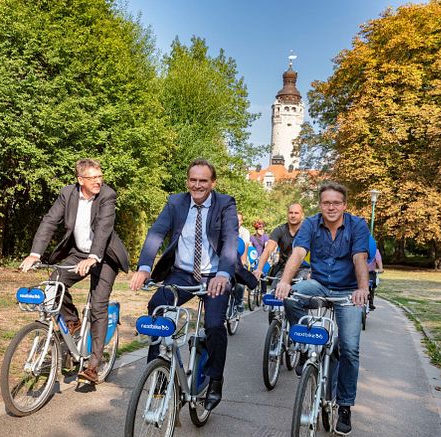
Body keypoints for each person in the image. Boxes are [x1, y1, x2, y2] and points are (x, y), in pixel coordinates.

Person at [130, 158, 251, 411]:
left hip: (216, 275)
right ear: (188, 181)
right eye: (193, 180)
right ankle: (158, 374)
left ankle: (215, 379)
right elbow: (156, 233)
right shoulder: (175, 202)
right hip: (183, 273)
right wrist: (143, 268)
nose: (197, 185)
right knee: (157, 307)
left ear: (212, 183)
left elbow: (230, 240)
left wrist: (224, 274)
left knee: (215, 324)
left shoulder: (225, 204)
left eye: (203, 181)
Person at [20, 158, 130, 384]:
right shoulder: (67, 194)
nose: (98, 181)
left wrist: (94, 257)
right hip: (79, 253)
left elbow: (103, 228)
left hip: (105, 256)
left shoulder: (107, 196)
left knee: (98, 304)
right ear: (80, 180)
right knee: (54, 284)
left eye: (100, 176)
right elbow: (49, 222)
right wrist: (35, 254)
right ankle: (73, 322)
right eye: (93, 178)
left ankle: (93, 366)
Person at [275, 181, 370, 436]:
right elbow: (298, 252)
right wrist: (285, 282)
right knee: (292, 297)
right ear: (320, 204)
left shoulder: (357, 225)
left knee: (350, 349)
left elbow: (359, 257)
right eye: (326, 202)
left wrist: (363, 288)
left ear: (344, 205)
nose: (331, 207)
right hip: (318, 284)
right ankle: (307, 344)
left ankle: (345, 406)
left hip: (349, 290)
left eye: (336, 203)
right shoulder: (310, 224)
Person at [253, 203, 310, 321]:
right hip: (283, 268)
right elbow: (268, 250)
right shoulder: (280, 230)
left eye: (296, 213)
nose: (293, 215)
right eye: (291, 213)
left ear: (302, 215)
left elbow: (317, 252)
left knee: (300, 295)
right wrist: (259, 269)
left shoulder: (308, 230)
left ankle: (300, 326)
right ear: (287, 214)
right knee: (275, 292)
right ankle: (275, 326)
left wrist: (313, 272)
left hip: (303, 268)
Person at [235, 212, 252, 312]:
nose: (237, 222)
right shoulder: (226, 228)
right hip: (228, 259)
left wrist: (244, 260)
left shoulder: (244, 232)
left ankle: (239, 301)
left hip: (240, 258)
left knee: (240, 281)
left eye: (239, 220)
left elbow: (245, 246)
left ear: (242, 221)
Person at [367, 238, 384, 310]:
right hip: (359, 272)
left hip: (370, 272)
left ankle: (370, 302)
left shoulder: (376, 252)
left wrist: (379, 269)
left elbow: (380, 265)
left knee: (371, 284)